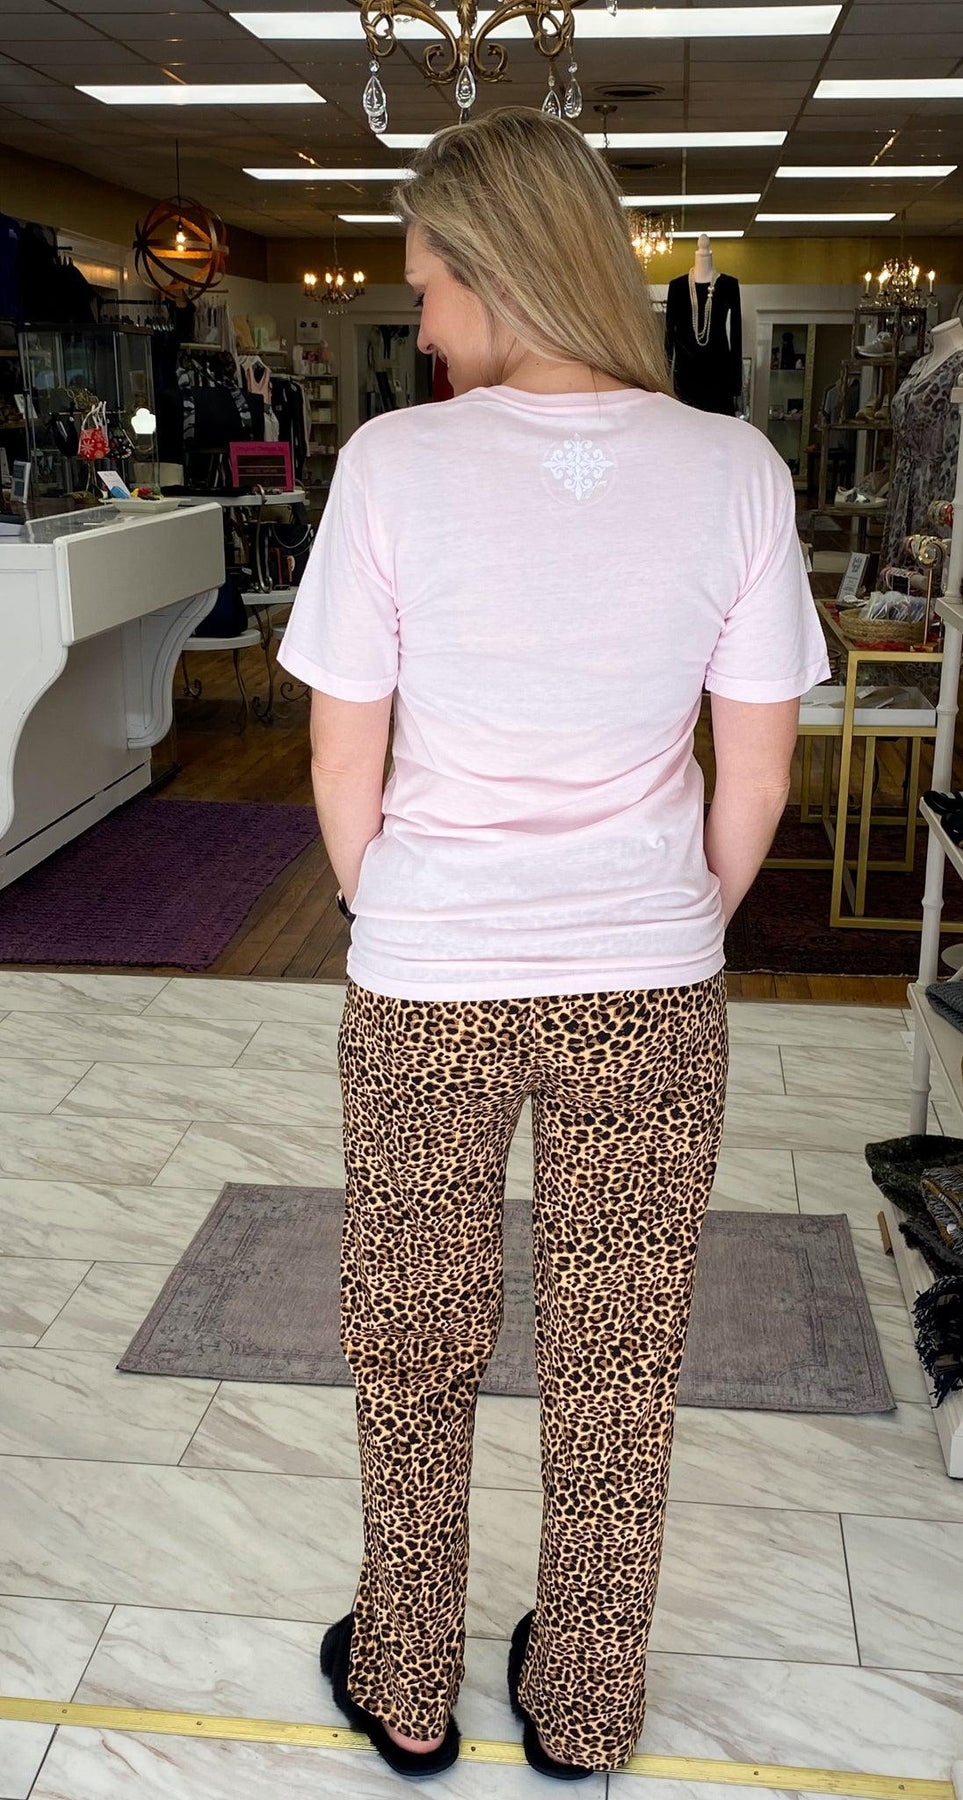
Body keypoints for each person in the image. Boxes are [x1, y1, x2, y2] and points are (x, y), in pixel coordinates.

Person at [276, 105, 830, 1783]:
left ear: (497, 270)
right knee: (617, 1357)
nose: (423, 318)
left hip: (430, 982)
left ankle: (408, 1681)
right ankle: (584, 1707)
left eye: (427, 283)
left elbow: (342, 757)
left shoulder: (393, 465)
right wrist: (668, 923)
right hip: (648, 988)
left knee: (413, 1338)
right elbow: (757, 773)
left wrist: (396, 912)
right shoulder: (736, 470)